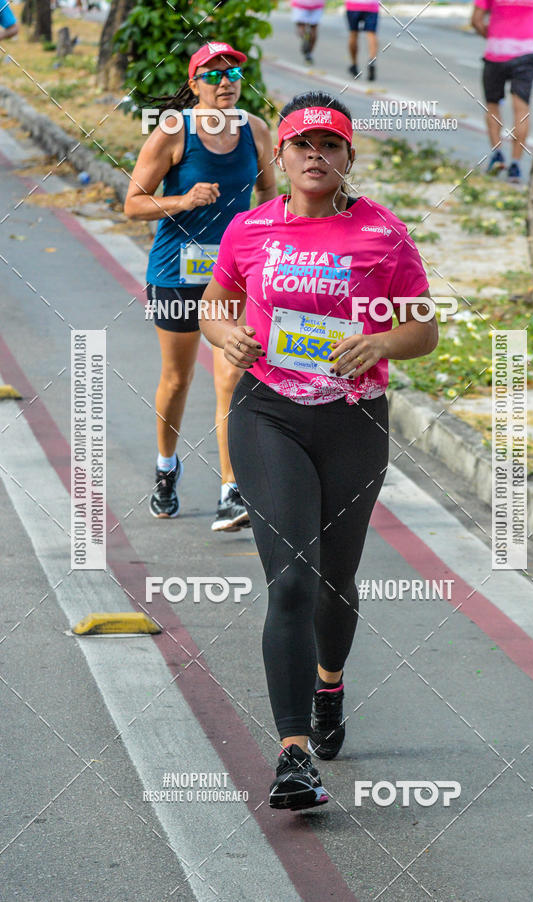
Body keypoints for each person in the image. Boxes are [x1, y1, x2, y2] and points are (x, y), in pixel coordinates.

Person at [200, 91, 438, 810]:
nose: (315, 156)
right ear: (282, 156)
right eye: (302, 145)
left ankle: (330, 680)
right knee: (294, 580)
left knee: (336, 582)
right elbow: (217, 300)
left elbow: (424, 328)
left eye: (329, 146)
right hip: (268, 415)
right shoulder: (250, 230)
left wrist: (382, 341)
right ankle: (293, 752)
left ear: (346, 159)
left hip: (354, 421)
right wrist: (224, 334)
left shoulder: (383, 235)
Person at [124, 43, 277, 528]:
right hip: (176, 272)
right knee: (178, 378)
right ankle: (166, 467)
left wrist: (268, 232)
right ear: (193, 86)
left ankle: (232, 489)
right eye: (213, 75)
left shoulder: (255, 129)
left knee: (231, 376)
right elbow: (133, 204)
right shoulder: (173, 131)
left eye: (233, 72)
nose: (226, 81)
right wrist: (185, 200)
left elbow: (270, 190)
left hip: (233, 274)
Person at [471, 0, 533, 184]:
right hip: (527, 54)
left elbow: (476, 20)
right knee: (521, 110)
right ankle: (515, 165)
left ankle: (497, 154)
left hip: (496, 53)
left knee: (493, 105)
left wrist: (493, 36)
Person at [346, 0, 380, 81]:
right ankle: (372, 61)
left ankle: (354, 64)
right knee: (371, 34)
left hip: (353, 5)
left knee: (353, 34)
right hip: (371, 5)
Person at [291, 0, 325, 64]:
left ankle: (304, 37)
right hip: (317, 3)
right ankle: (309, 54)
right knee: (314, 29)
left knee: (301, 26)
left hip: (300, 3)